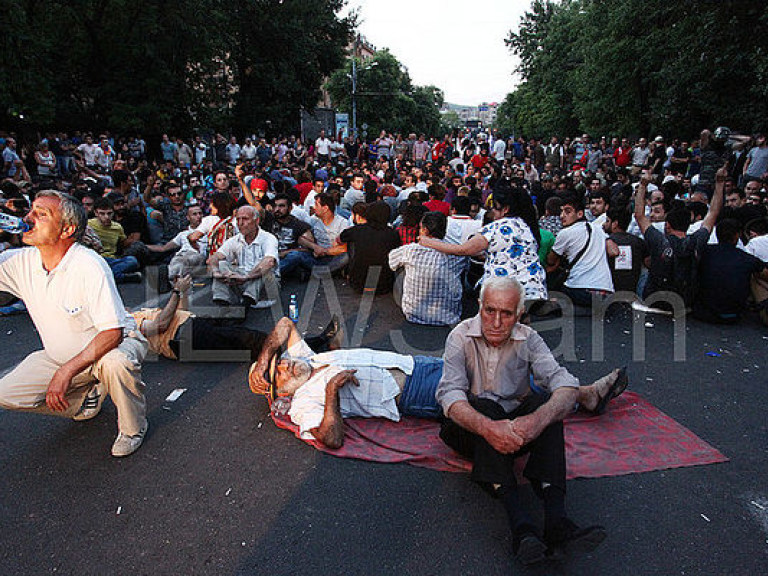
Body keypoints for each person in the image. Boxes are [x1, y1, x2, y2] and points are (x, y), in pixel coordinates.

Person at [436, 277, 612, 565]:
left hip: (516, 429)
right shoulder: (460, 336)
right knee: (483, 405)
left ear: (518, 316)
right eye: (489, 311)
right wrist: (489, 428)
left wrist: (538, 420)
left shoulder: (528, 338)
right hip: (470, 430)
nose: (495, 322)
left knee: (548, 406)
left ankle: (557, 521)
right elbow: (450, 394)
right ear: (479, 308)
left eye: (505, 314)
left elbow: (563, 383)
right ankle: (520, 524)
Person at [0, 190, 149, 457]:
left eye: (41, 215)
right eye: (31, 211)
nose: (28, 218)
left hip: (111, 347)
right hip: (61, 357)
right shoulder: (20, 261)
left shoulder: (89, 265)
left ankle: (132, 428)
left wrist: (66, 372)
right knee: (6, 393)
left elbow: (112, 333)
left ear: (67, 229)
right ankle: (83, 401)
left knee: (117, 364)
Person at [421, 185, 547, 302]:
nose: (491, 210)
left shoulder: (498, 227)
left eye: (494, 207)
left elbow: (463, 250)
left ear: (505, 209)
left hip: (506, 293)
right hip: (535, 290)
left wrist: (429, 242)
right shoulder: (526, 226)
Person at [636, 168, 724, 309]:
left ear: (668, 225)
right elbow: (713, 213)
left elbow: (639, 215)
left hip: (654, 300)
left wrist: (643, 184)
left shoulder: (659, 240)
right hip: (685, 301)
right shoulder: (697, 240)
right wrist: (720, 183)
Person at [389, 211, 465, 325]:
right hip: (449, 316)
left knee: (400, 264)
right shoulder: (458, 253)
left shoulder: (411, 250)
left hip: (413, 314)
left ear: (424, 230)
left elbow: (392, 262)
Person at [692, 219, 768, 323]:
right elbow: (765, 274)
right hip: (732, 315)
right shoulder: (747, 258)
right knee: (755, 277)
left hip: (702, 312)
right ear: (737, 235)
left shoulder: (705, 252)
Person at [547, 194, 614, 308]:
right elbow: (614, 251)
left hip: (580, 289)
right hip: (606, 292)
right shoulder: (597, 228)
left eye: (567, 212)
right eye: (561, 211)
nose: (562, 216)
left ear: (579, 214)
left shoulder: (566, 233)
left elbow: (551, 260)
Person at [208, 205, 279, 307]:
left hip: (266, 287)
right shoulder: (235, 240)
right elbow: (215, 257)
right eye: (238, 220)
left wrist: (247, 277)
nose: (240, 223)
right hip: (243, 280)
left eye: (245, 219)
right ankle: (221, 303)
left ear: (256, 221)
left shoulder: (268, 238)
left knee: (266, 269)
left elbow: (269, 262)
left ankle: (246, 303)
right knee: (221, 264)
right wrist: (216, 272)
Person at [339, 201, 401, 293]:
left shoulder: (358, 230)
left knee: (350, 242)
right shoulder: (393, 233)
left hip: (359, 284)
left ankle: (350, 272)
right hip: (384, 286)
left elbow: (340, 239)